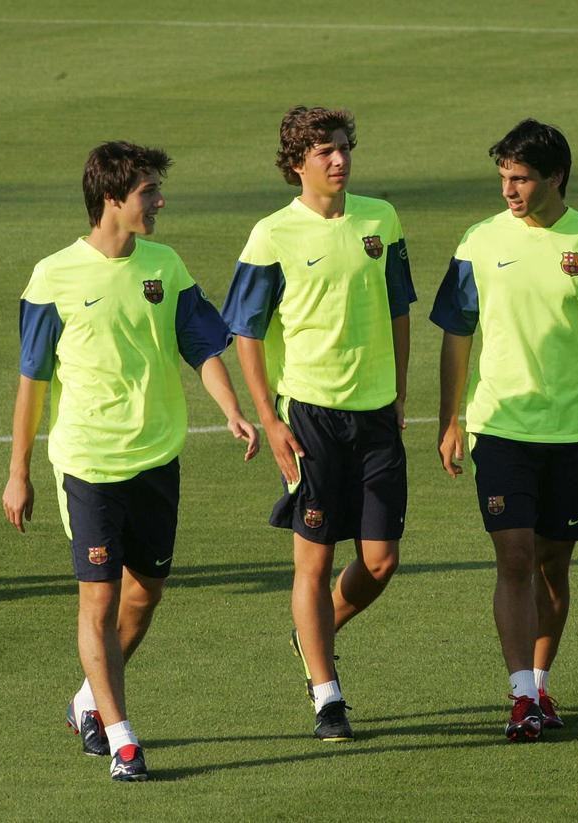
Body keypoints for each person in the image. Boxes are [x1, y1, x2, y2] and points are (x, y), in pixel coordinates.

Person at [1, 141, 259, 781]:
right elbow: (32, 383)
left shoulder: (165, 266)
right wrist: (18, 471)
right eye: (149, 192)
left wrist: (230, 408)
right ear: (113, 198)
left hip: (157, 458)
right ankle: (121, 738)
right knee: (99, 599)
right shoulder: (52, 277)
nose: (160, 202)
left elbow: (201, 344)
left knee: (145, 594)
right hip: (89, 463)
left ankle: (87, 702)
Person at [432, 119, 578, 742]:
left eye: (521, 178)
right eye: (503, 178)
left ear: (555, 177)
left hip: (574, 431)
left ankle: (541, 683)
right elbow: (455, 333)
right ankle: (521, 693)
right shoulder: (478, 242)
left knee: (554, 565)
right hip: (500, 427)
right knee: (516, 557)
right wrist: (451, 419)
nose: (509, 190)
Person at [221, 106, 414, 743]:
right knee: (314, 557)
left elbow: (398, 311)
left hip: (378, 414)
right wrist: (269, 419)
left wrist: (400, 394)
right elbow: (245, 332)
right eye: (324, 151)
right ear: (296, 162)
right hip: (310, 415)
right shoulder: (271, 235)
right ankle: (327, 694)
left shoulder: (379, 219)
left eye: (343, 148)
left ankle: (313, 633)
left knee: (381, 562)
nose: (339, 160)